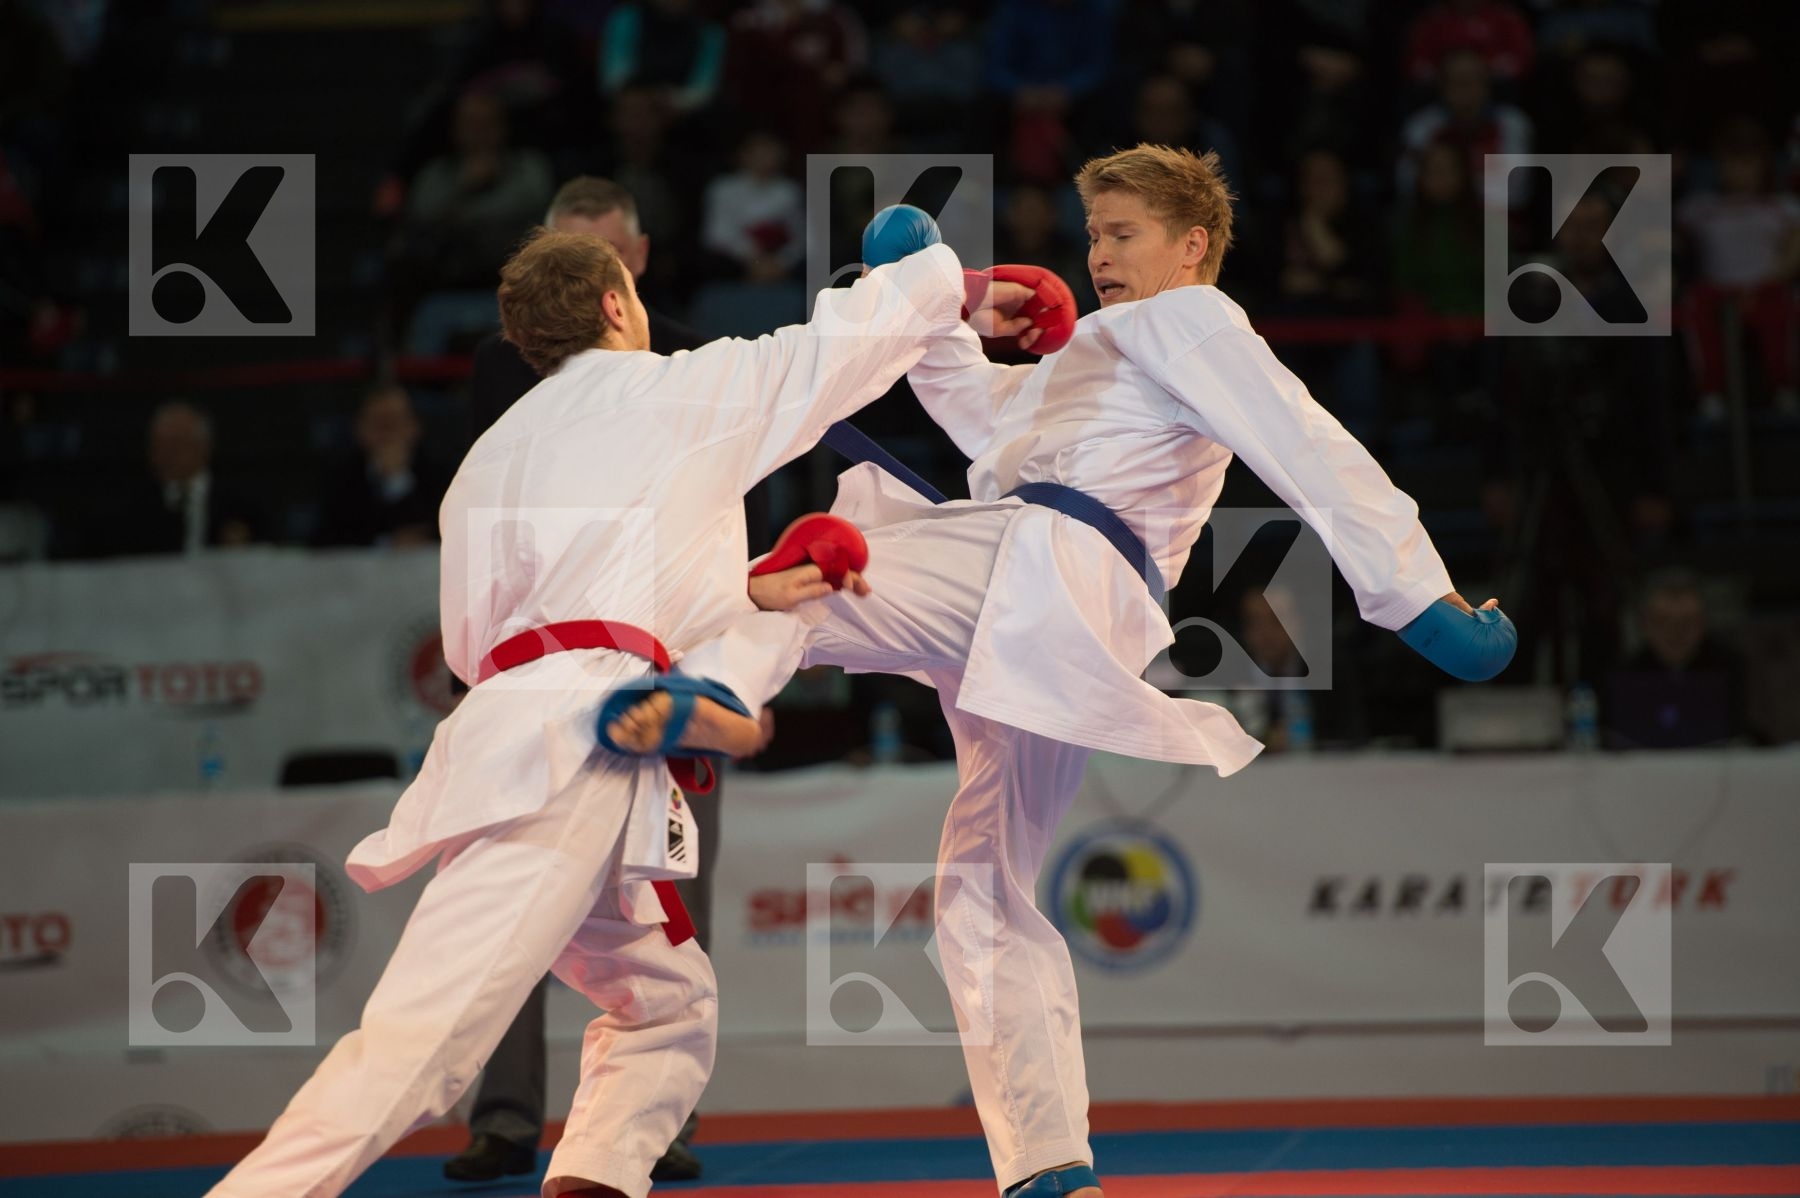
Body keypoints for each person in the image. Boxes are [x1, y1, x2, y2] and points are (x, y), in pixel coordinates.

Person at [679, 146, 1510, 1198]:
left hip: (1045, 567)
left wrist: (1418, 597)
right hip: (1054, 615)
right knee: (983, 889)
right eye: (1093, 234)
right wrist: (923, 279)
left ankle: (692, 697)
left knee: (796, 579)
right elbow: (982, 415)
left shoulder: (1191, 318)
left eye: (1123, 234)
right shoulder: (1105, 357)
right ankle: (1050, 1168)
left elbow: (1306, 442)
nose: (1099, 254)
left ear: (1192, 245)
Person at [204, 228, 1030, 1198]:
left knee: (665, 1007)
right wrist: (955, 283)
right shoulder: (672, 390)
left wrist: (747, 600)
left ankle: (594, 1179)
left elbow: (482, 643)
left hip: (518, 732)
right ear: (612, 303)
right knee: (420, 1050)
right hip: (576, 749)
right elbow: (836, 345)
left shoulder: (483, 462)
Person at [449, 174, 753, 1185]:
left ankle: (655, 1122)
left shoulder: (686, 365)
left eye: (599, 257)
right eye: (560, 256)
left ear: (634, 265)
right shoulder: (507, 367)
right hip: (539, 668)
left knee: (670, 897)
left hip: (657, 665)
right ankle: (503, 1116)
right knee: (511, 907)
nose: (579, 280)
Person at [102, 401, 261, 557]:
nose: (166, 455)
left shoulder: (243, 504)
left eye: (176, 444)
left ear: (204, 447)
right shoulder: (131, 512)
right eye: (158, 445)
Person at [315, 385, 452, 549]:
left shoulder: (441, 478)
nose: (387, 433)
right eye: (378, 423)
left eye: (395, 422)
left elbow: (443, 534)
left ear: (414, 427)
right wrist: (386, 543)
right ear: (360, 429)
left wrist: (397, 479)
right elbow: (325, 541)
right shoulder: (341, 479)